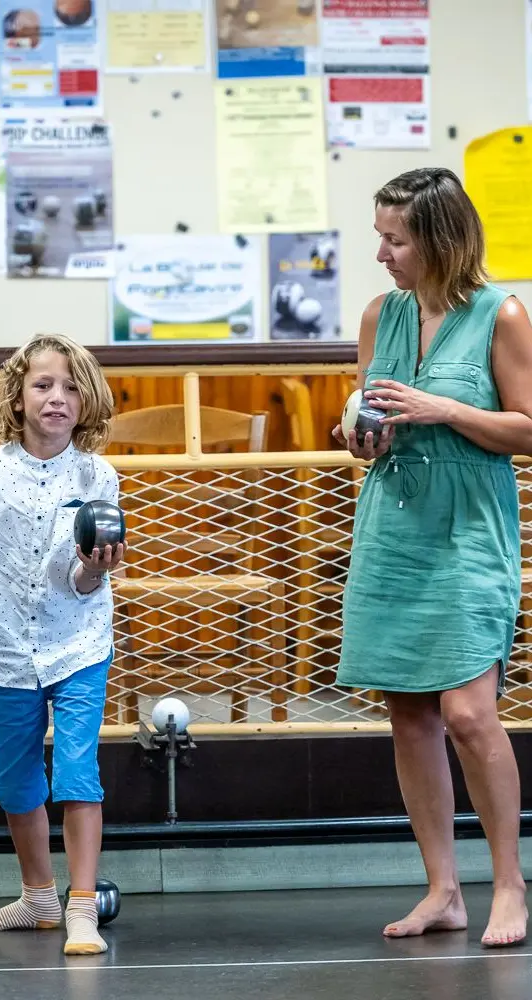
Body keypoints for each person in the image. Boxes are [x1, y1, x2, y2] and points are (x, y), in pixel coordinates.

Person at [334, 167, 532, 948]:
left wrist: (444, 408)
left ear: (442, 238)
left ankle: (510, 886)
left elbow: (529, 428)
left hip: (469, 526)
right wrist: (360, 434)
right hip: (392, 524)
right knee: (409, 712)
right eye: (380, 235)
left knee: (467, 712)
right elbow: (361, 418)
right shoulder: (379, 314)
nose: (382, 252)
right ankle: (443, 890)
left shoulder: (501, 314)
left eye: (396, 238)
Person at [0, 333, 124, 956]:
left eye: (72, 387)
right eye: (43, 385)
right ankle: (38, 896)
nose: (57, 398)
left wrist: (96, 569)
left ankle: (81, 906)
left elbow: (80, 579)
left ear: (86, 399)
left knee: (77, 774)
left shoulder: (97, 474)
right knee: (16, 781)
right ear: (17, 397)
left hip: (80, 647)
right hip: (9, 653)